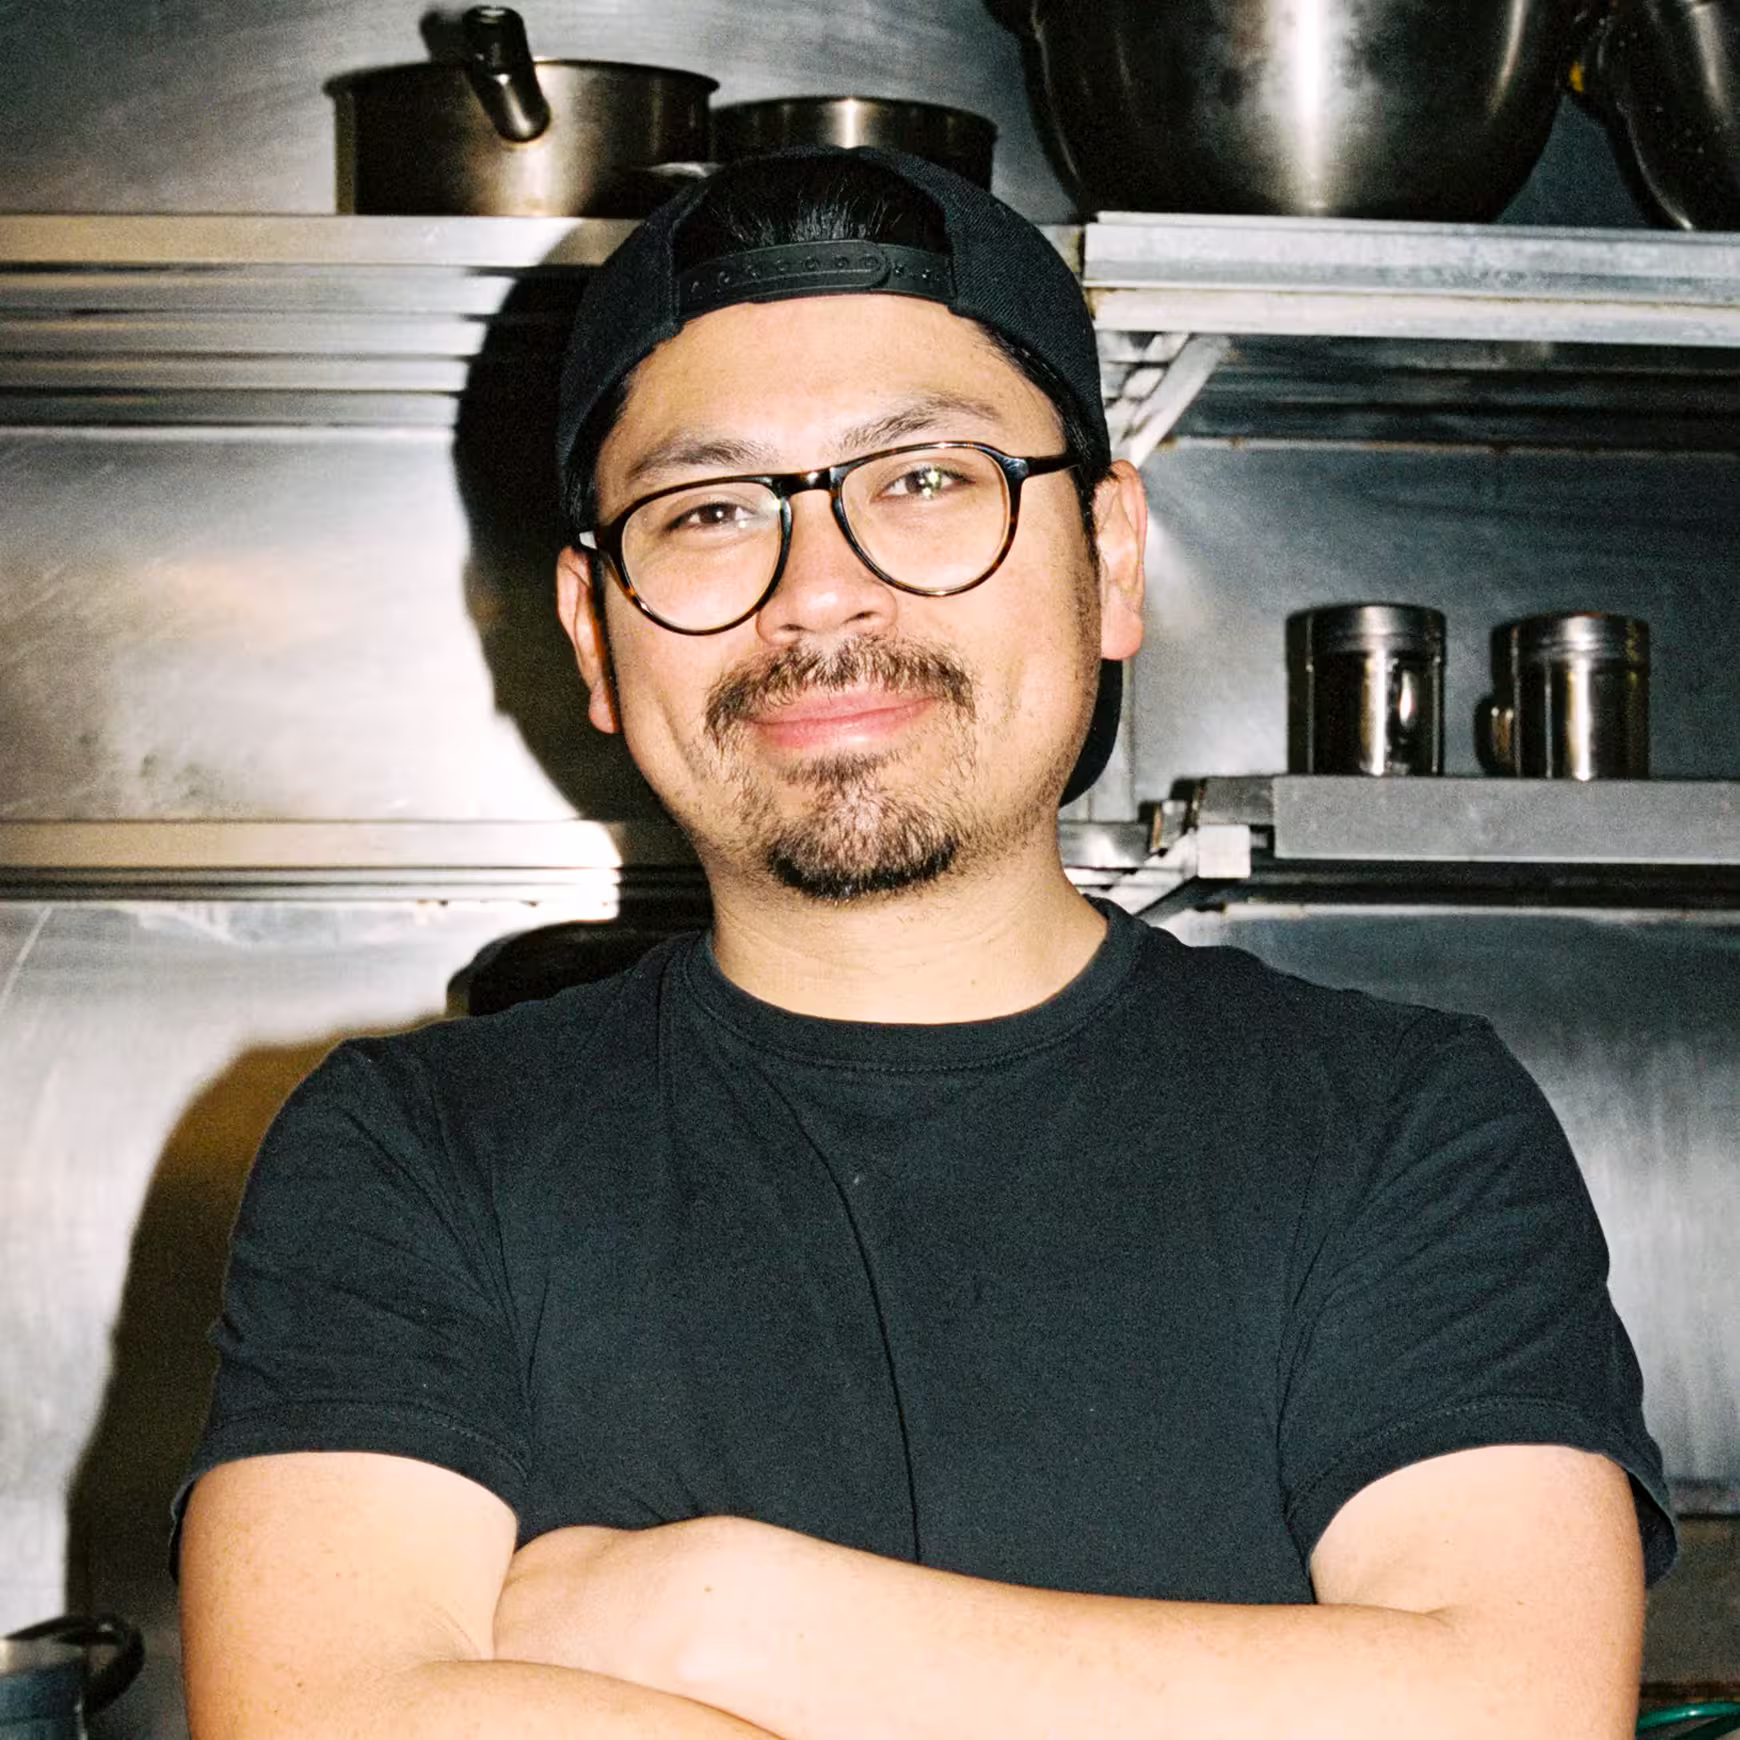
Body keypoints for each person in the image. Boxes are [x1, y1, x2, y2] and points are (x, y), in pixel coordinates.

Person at [177, 148, 1675, 1740]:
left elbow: (1509, 1709)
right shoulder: (409, 1154)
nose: (820, 595)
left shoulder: (1401, 1122)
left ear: (1108, 561)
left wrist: (713, 1613)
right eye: (707, 510)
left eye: (924, 479)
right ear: (591, 637)